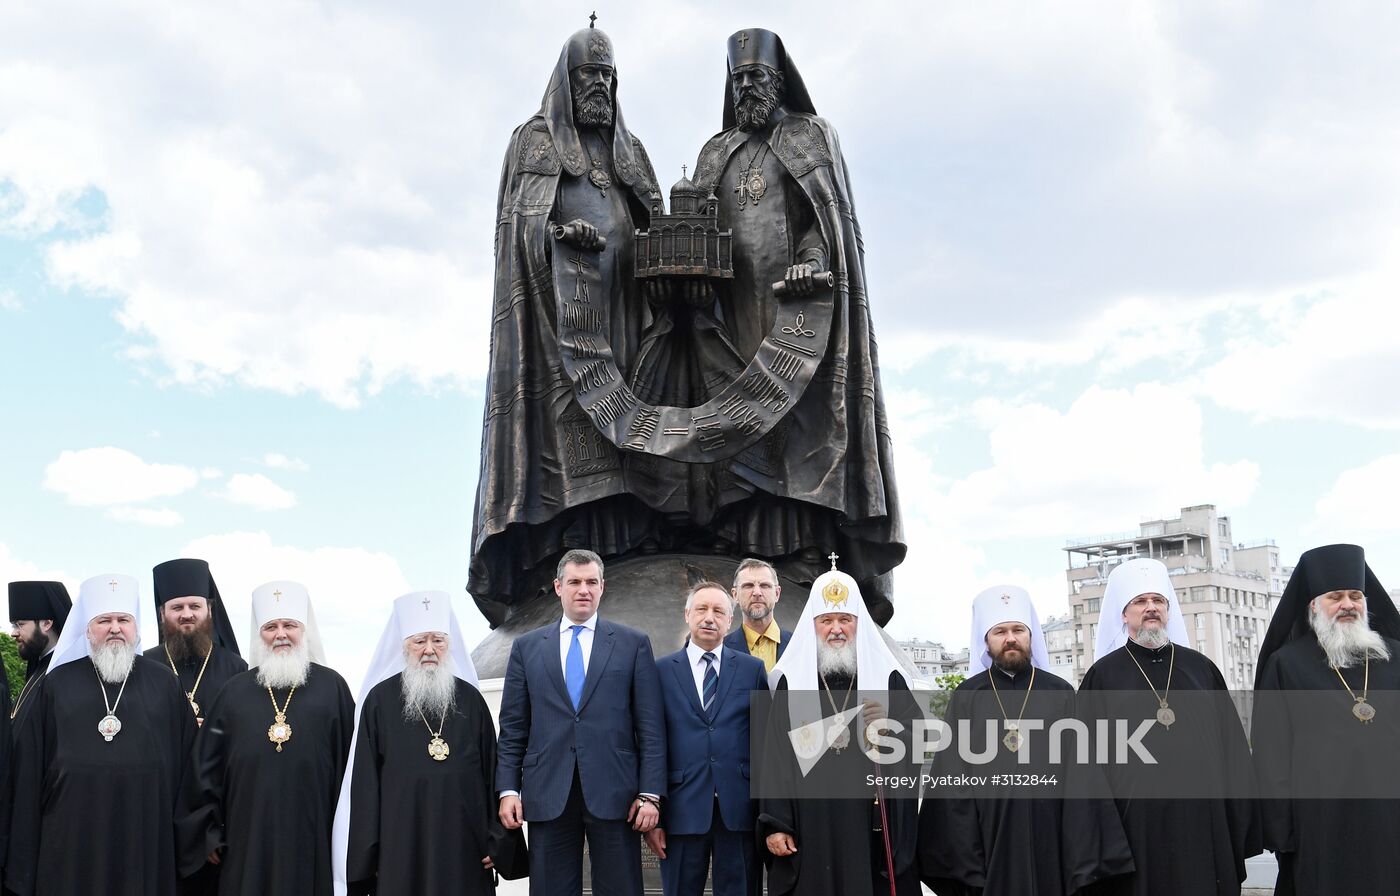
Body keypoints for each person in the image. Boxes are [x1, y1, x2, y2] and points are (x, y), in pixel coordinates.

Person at [688, 28, 904, 619]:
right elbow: (696, 219)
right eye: (738, 81)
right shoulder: (716, 150)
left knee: (803, 431)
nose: (747, 88)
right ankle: (736, 544)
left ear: (779, 80)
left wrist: (812, 261)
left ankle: (807, 551)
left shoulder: (811, 136)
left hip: (799, 313)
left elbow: (825, 220)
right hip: (730, 312)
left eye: (756, 77)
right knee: (736, 421)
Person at [468, 22, 663, 626]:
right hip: (559, 322)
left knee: (631, 422)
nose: (598, 87)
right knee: (566, 432)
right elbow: (519, 228)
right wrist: (559, 237)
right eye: (588, 78)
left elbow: (656, 217)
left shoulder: (630, 152)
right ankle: (564, 549)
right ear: (566, 83)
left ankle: (629, 537)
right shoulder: (535, 142)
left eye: (607, 77)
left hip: (626, 318)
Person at [917, 586, 1132, 896]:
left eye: (1018, 629)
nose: (1010, 638)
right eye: (1000, 631)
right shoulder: (967, 697)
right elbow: (952, 787)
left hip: (1053, 841)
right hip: (988, 844)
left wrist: (1080, 859)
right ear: (986, 640)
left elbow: (1081, 778)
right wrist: (968, 867)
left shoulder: (1060, 693)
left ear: (1031, 636)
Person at [1077, 559, 1258, 896]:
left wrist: (1241, 822)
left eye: (1158, 601)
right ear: (1124, 614)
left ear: (1168, 610)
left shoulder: (1202, 669)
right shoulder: (1102, 678)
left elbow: (1233, 750)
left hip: (1204, 823)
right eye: (1140, 602)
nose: (1151, 609)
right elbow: (1087, 768)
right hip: (1135, 830)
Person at [6, 574, 194, 896]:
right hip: (69, 842)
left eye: (124, 619)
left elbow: (190, 769)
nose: (115, 628)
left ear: (136, 627)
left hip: (145, 838)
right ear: (87, 628)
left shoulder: (165, 684)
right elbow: (27, 774)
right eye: (104, 620)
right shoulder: (56, 685)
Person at [496, 549, 666, 895]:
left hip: (616, 795)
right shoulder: (527, 648)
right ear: (558, 587)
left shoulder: (632, 644)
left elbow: (650, 727)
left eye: (591, 582)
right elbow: (513, 728)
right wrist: (508, 789)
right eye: (574, 582)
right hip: (548, 793)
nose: (583, 589)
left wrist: (650, 794)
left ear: (603, 587)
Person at [334, 591, 524, 895]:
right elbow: (366, 786)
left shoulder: (470, 699)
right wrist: (370, 858)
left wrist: (497, 843)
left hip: (466, 848)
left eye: (438, 640)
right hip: (400, 852)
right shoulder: (379, 702)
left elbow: (493, 771)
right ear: (403, 646)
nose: (429, 650)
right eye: (419, 641)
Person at [178, 581, 354, 896]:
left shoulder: (333, 688)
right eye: (271, 626)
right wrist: (207, 832)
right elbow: (204, 765)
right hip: (247, 837)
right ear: (260, 634)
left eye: (290, 625)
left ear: (305, 630)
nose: (281, 634)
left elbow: (352, 770)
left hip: (315, 836)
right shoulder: (233, 692)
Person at [757, 562, 920, 895]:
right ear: (812, 626)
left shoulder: (888, 678)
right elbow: (773, 757)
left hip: (868, 825)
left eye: (845, 620)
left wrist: (889, 731)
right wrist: (776, 824)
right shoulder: (791, 681)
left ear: (858, 625)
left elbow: (916, 740)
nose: (836, 629)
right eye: (826, 621)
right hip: (809, 825)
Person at [1252, 543, 1400, 895]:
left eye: (1355, 596)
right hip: (1319, 827)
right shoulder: (1286, 664)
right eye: (1336, 596)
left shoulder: (1395, 658)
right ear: (1313, 606)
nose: (1348, 604)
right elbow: (1271, 756)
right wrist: (1281, 833)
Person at [646, 581, 767, 896]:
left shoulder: (753, 670)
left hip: (739, 809)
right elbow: (652, 743)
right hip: (681, 810)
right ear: (687, 615)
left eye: (719, 611)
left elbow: (767, 742)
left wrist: (768, 814)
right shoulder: (659, 672)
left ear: (730, 621)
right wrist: (655, 810)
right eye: (701, 609)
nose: (709, 618)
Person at [145, 558, 246, 728]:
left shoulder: (236, 668)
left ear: (210, 610)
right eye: (177, 607)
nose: (186, 614)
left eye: (194, 606)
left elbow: (244, 728)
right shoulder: (145, 666)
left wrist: (211, 733)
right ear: (162, 614)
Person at [7, 581, 70, 735]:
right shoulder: (38, 670)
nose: (14, 633)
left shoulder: (67, 674)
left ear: (46, 623)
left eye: (19, 624)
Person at [723, 559, 791, 673]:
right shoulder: (720, 650)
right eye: (748, 586)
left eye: (765, 585)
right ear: (735, 595)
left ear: (777, 594)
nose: (757, 593)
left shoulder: (799, 645)